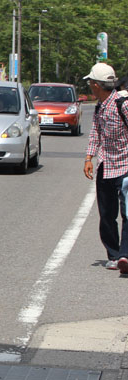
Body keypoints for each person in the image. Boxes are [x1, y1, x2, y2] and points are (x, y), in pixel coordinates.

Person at [82, 62, 128, 272]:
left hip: (126, 164)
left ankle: (124, 255)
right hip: (106, 165)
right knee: (106, 213)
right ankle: (113, 254)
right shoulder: (100, 105)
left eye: (91, 82)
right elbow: (95, 133)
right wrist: (89, 158)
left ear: (97, 85)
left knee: (127, 211)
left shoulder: (123, 103)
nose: (89, 85)